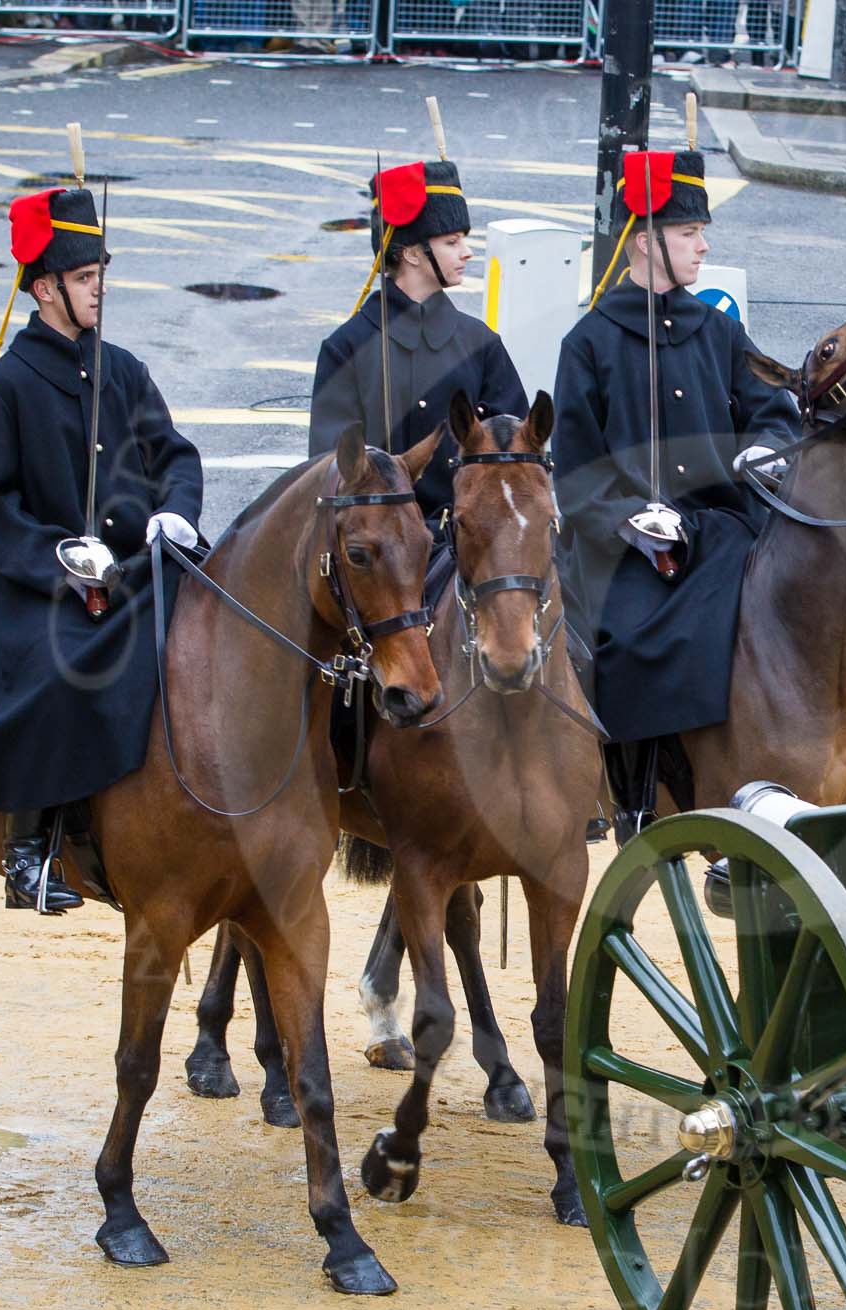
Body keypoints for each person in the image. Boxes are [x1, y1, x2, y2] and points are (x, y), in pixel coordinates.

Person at [0, 185, 204, 912]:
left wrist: (174, 516)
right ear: (45, 288)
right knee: (65, 668)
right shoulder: (4, 388)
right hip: (36, 582)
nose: (98, 292)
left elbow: (174, 457)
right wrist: (64, 556)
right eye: (86, 280)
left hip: (139, 566)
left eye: (99, 277)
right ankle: (29, 846)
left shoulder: (123, 370)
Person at [551, 147, 802, 836]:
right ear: (645, 241)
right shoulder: (589, 344)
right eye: (690, 231)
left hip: (722, 527)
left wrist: (762, 447)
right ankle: (635, 792)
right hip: (630, 546)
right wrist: (630, 518)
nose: (703, 243)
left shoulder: (718, 328)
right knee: (628, 636)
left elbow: (774, 410)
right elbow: (575, 473)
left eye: (700, 231)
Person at [309, 158, 526, 531]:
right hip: (376, 552)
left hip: (468, 547)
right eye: (451, 242)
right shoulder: (347, 346)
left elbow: (516, 453)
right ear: (411, 252)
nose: (467, 252)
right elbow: (329, 467)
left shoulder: (481, 343)